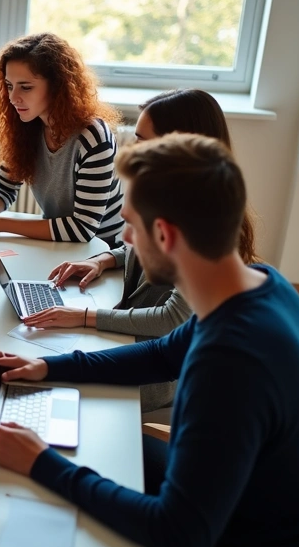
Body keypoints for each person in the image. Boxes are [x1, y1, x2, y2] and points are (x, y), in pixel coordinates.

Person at [0, 134, 299, 547]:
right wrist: (47, 367)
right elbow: (161, 355)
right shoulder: (259, 283)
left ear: (164, 234)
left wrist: (42, 463)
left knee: (23, 527)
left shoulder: (230, 365)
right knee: (90, 445)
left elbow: (178, 538)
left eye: (130, 224)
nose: (122, 237)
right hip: (241, 509)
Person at [24, 89, 262, 412]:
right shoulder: (167, 198)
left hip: (159, 374)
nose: (132, 150)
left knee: (58, 388)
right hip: (144, 349)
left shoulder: (200, 230)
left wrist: (83, 317)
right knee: (49, 360)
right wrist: (105, 258)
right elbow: (136, 249)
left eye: (142, 140)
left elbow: (169, 323)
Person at [0, 33, 125, 246]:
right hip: (63, 245)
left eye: (26, 87)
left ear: (59, 86)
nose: (12, 98)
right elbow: (4, 187)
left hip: (103, 251)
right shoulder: (28, 124)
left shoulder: (94, 138)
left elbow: (83, 228)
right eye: (9, 86)